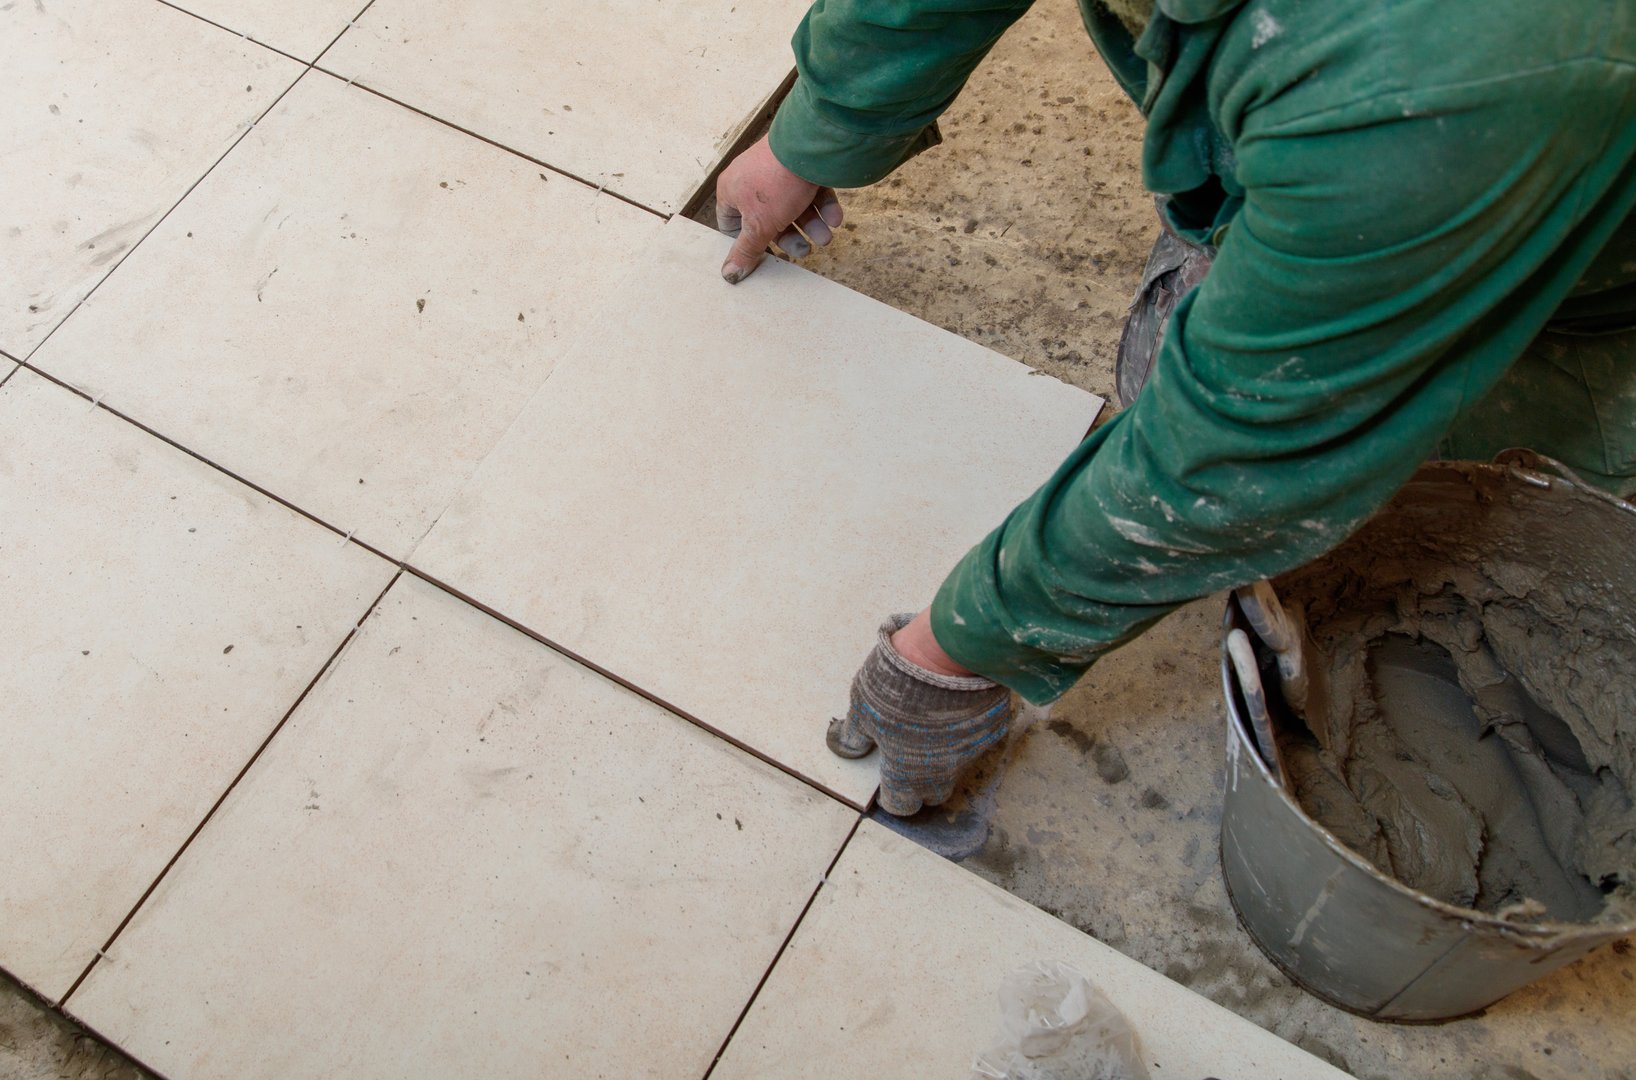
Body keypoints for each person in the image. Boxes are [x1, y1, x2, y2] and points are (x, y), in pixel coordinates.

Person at [713, 0, 1636, 816]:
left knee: (1441, 529)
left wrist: (963, 648)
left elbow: (1234, 450)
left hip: (1577, 272)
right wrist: (818, 129)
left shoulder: (1437, 65)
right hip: (1405, 135)